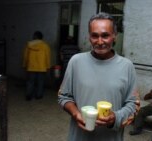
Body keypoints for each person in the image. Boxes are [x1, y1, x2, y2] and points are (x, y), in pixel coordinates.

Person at [58, 12, 140, 141]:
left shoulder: (127, 66)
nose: (100, 41)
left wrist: (116, 118)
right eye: (94, 36)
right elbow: (64, 96)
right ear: (89, 37)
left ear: (115, 36)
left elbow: (133, 105)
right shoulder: (76, 61)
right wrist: (76, 114)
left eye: (105, 35)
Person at [23, 31, 51, 101]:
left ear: (34, 36)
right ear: (41, 37)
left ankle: (28, 95)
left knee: (30, 82)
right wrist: (48, 67)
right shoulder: (45, 45)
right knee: (40, 82)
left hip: (31, 67)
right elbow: (48, 57)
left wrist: (24, 65)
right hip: (41, 68)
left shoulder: (29, 45)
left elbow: (25, 56)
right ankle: (39, 95)